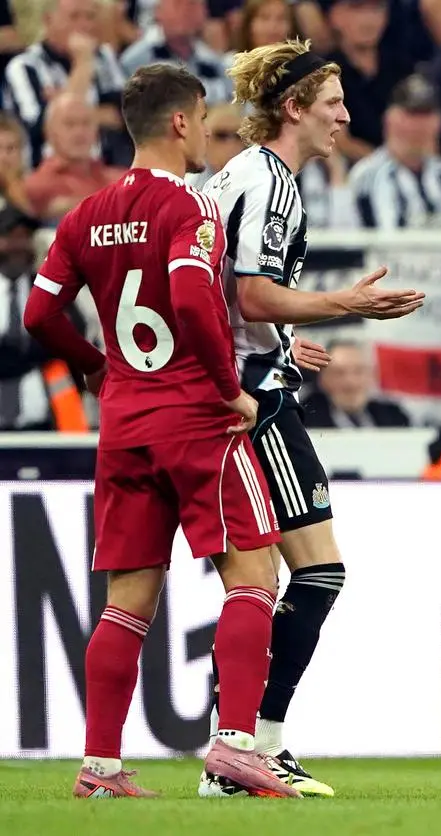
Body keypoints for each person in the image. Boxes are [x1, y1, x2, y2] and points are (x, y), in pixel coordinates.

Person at [21, 63, 297, 799]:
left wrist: (97, 369)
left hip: (125, 425)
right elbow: (186, 294)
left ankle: (100, 764)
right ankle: (236, 742)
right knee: (255, 573)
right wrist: (229, 388)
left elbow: (39, 317)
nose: (210, 130)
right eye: (205, 115)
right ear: (179, 122)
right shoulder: (192, 209)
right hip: (195, 420)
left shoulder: (85, 215)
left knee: (127, 599)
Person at [201, 38, 425, 797]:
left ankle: (241, 746)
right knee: (314, 571)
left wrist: (296, 339)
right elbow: (253, 294)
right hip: (249, 400)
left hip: (243, 381)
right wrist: (347, 302)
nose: (345, 116)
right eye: (332, 103)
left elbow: (234, 293)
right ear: (293, 108)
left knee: (262, 577)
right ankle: (249, 746)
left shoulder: (243, 174)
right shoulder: (270, 182)